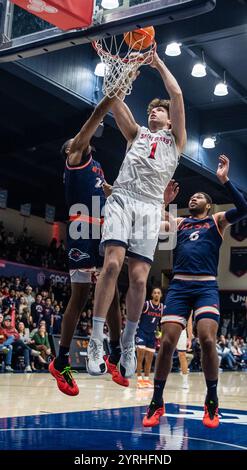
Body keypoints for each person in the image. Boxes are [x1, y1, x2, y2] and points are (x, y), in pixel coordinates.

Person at [87, 51, 186, 379]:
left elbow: (177, 94)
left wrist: (156, 62)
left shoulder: (176, 142)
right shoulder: (136, 133)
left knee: (141, 278)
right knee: (113, 264)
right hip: (122, 198)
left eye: (161, 110)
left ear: (170, 120)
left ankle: (128, 342)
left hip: (148, 205)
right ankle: (96, 340)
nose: (156, 111)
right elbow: (112, 100)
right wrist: (122, 72)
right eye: (153, 109)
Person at [143, 155, 247, 428]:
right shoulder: (179, 224)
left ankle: (211, 400)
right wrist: (163, 201)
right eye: (192, 197)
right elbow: (151, 221)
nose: (193, 198)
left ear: (208, 204)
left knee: (208, 340)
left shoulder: (217, 221)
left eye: (199, 196)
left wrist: (225, 181)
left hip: (205, 286)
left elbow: (244, 207)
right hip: (178, 286)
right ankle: (157, 400)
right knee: (166, 344)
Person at [49, 91, 130, 396]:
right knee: (80, 296)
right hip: (83, 229)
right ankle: (61, 359)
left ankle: (115, 355)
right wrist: (112, 97)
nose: (79, 140)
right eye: (75, 140)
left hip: (101, 228)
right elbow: (93, 120)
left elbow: (108, 196)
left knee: (111, 293)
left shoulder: (97, 168)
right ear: (69, 150)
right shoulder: (75, 158)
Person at [136, 287, 163, 388]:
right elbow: (137, 314)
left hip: (152, 335)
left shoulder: (162, 308)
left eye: (158, 293)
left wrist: (160, 332)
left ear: (161, 295)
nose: (156, 294)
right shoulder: (146, 304)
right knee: (140, 357)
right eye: (155, 293)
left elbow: (161, 322)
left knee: (149, 359)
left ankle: (146, 380)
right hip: (142, 333)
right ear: (152, 294)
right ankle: (139, 379)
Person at [176, 313, 193, 389]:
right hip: (170, 329)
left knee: (182, 355)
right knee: (165, 354)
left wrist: (189, 339)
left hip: (182, 330)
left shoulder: (188, 306)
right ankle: (160, 381)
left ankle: (185, 382)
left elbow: (189, 323)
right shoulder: (171, 301)